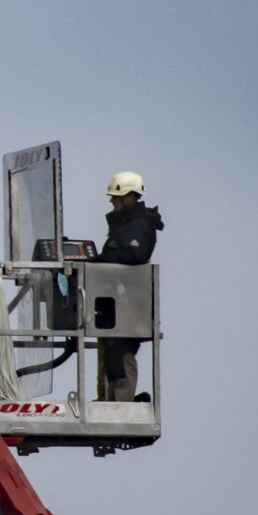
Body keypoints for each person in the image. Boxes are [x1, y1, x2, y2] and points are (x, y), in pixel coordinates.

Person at [92, 171, 163, 402]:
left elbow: (134, 254)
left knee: (121, 354)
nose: (112, 201)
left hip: (127, 306)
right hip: (117, 305)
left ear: (129, 197)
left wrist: (95, 262)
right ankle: (113, 402)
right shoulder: (127, 226)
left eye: (116, 197)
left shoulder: (140, 225)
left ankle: (121, 403)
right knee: (113, 354)